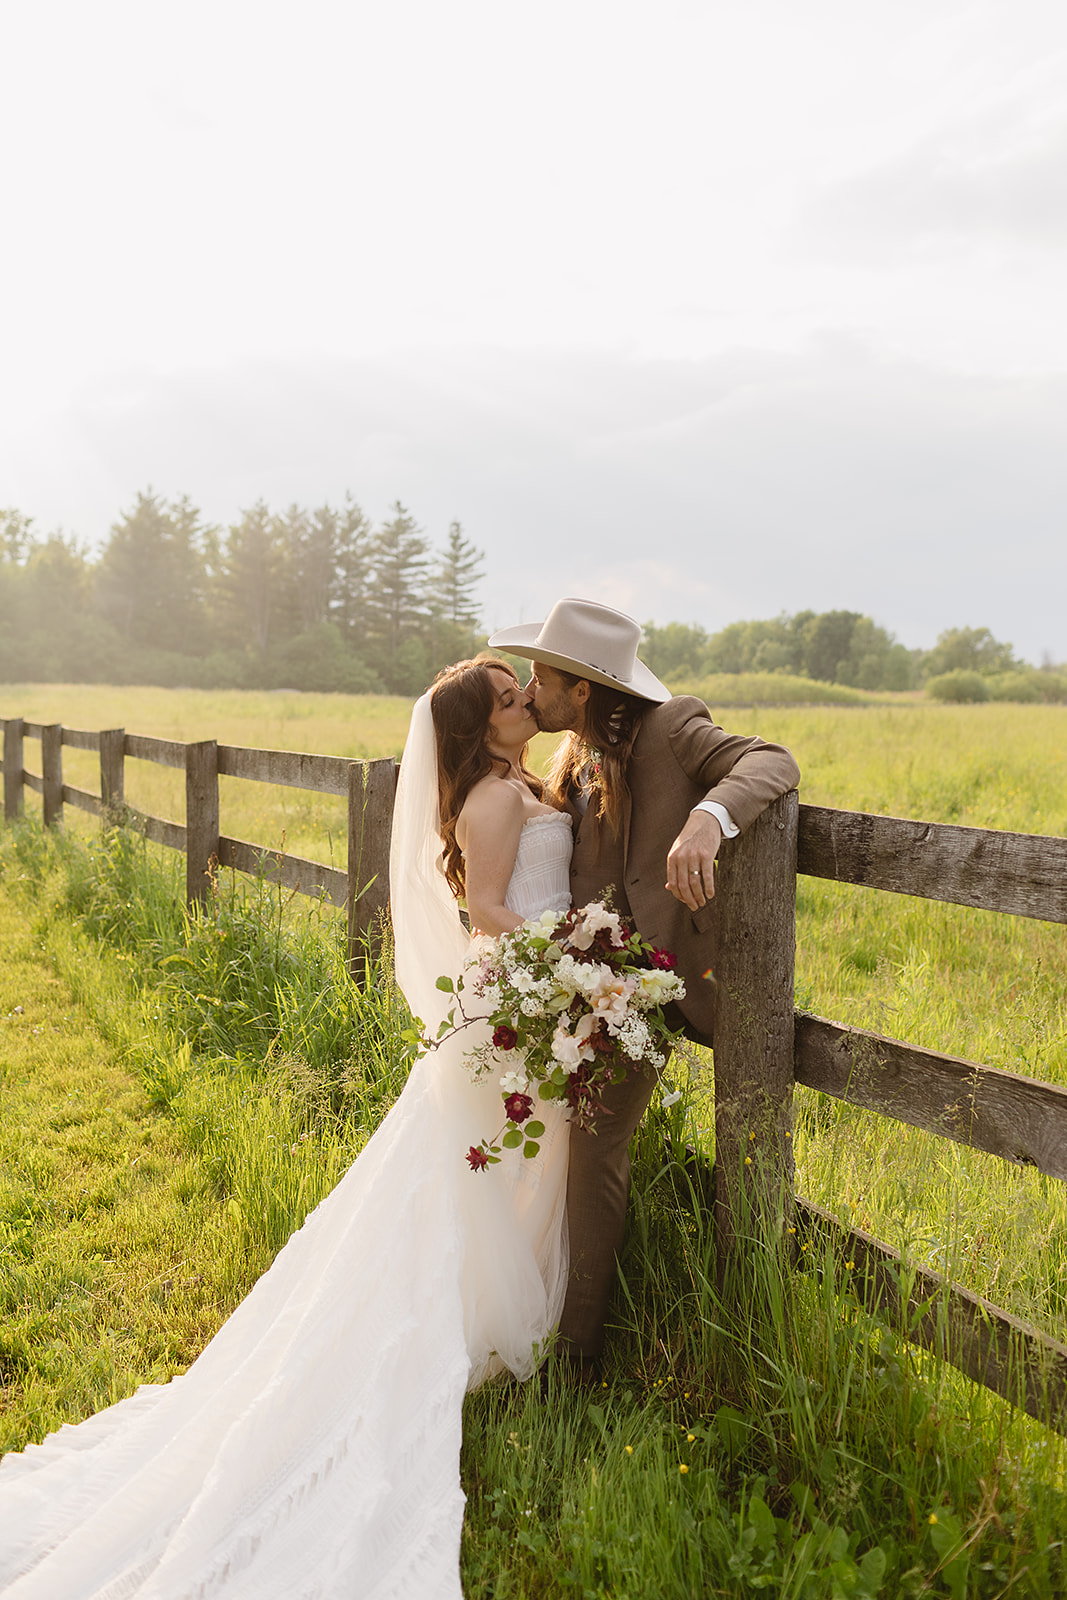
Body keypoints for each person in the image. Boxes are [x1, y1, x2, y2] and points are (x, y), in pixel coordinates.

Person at [0, 658, 573, 1600]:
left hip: (525, 998)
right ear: (479, 726)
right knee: (463, 1171)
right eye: (509, 698)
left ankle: (478, 1316)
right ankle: (444, 1329)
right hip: (516, 992)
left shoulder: (521, 782)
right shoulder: (491, 801)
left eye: (525, 691)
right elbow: (486, 913)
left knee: (480, 1168)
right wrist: (570, 960)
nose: (527, 703)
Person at [489, 597, 801, 1373]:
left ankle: (577, 1358)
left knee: (593, 1153)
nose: (530, 690)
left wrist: (706, 818)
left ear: (583, 688)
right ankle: (528, 1309)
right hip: (574, 985)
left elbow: (772, 762)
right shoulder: (575, 751)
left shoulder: (671, 727)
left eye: (540, 676)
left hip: (651, 988)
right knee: (552, 1145)